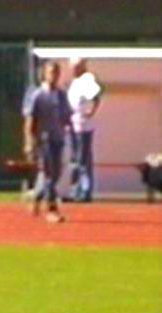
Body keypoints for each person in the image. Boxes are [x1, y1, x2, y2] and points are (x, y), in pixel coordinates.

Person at [23, 61, 72, 223]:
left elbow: (66, 116)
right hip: (43, 140)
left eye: (56, 72)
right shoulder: (37, 95)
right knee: (49, 174)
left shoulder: (61, 95)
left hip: (58, 139)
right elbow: (30, 120)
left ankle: (36, 196)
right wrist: (30, 142)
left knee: (54, 174)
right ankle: (52, 209)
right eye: (51, 72)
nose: (54, 75)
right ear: (44, 73)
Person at [67, 58, 102, 202]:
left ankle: (84, 190)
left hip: (83, 126)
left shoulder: (87, 79)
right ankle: (75, 190)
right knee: (75, 158)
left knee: (82, 159)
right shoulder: (75, 81)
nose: (73, 70)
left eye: (75, 67)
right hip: (73, 124)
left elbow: (96, 97)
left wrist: (90, 112)